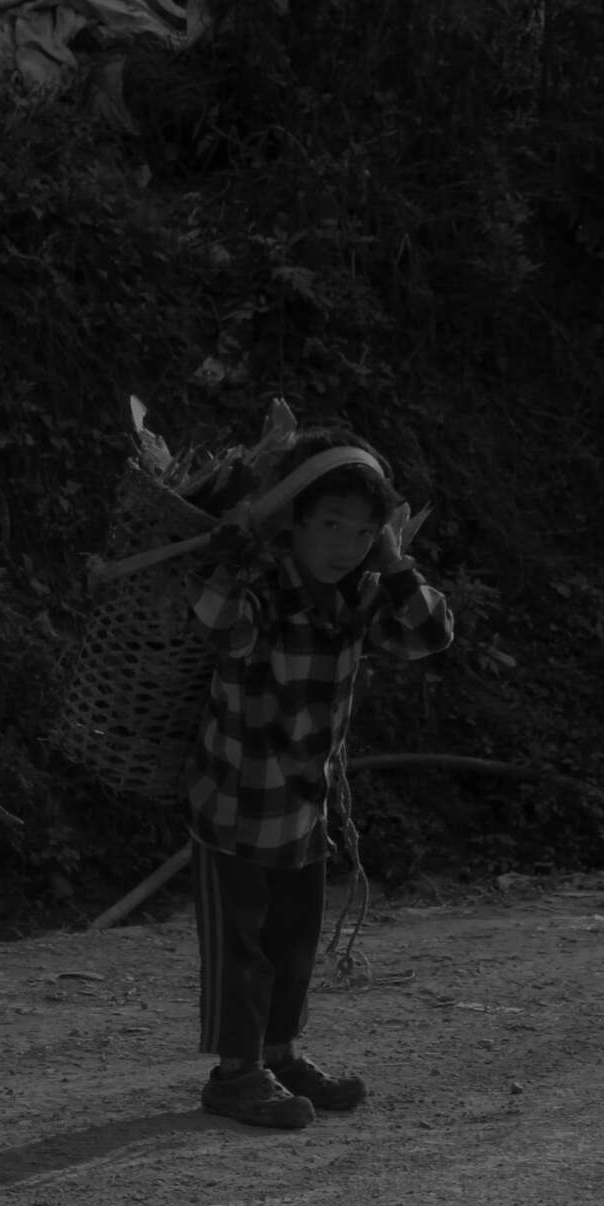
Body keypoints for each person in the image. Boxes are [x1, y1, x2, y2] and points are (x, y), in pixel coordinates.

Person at [184, 428, 455, 1129]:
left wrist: (393, 564)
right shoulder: (265, 587)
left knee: (293, 939)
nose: (346, 546)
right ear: (294, 521)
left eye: (363, 532)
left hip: (304, 805)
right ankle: (235, 1073)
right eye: (331, 525)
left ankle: (279, 1054)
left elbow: (430, 634)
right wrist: (237, 549)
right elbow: (215, 622)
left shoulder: (360, 596)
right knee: (239, 946)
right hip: (236, 799)